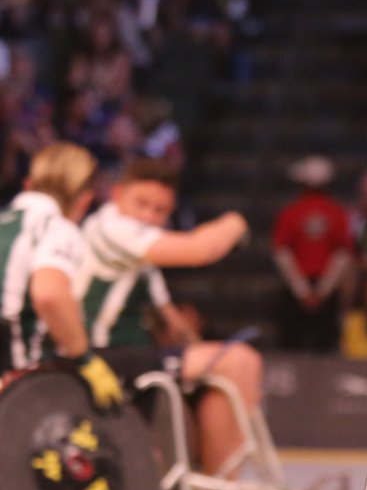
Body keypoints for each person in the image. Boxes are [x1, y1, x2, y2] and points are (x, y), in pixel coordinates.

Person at [76, 156, 256, 474]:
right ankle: (223, 487)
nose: (148, 216)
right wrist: (238, 221)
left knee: (222, 363)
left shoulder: (140, 255)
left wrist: (198, 345)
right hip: (100, 355)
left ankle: (210, 478)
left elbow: (171, 322)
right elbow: (202, 249)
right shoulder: (112, 228)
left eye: (160, 210)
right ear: (116, 194)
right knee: (238, 361)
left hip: (133, 354)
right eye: (141, 204)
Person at [0, 141, 123, 409]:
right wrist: (85, 358)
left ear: (28, 184)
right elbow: (49, 294)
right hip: (13, 380)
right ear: (85, 199)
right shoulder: (56, 228)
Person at [271, 155, 353, 353]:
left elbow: (282, 253)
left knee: (292, 345)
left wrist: (303, 291)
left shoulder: (291, 212)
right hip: (325, 289)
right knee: (324, 346)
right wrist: (323, 291)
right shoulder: (337, 212)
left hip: (298, 289)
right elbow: (342, 255)